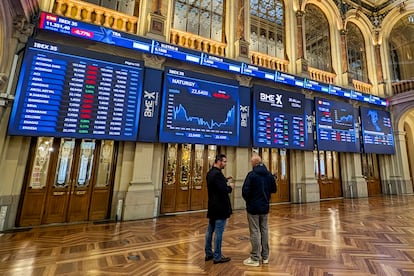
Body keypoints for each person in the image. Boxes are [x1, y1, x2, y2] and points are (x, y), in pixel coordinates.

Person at [242, 154, 277, 266]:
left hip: (253, 208)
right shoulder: (269, 175)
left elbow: (245, 191)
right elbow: (274, 189)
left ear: (254, 163)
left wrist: (249, 201)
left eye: (251, 162)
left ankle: (255, 258)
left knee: (255, 231)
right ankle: (265, 257)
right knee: (264, 230)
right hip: (265, 207)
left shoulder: (251, 175)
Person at [205, 154, 234, 264]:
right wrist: (230, 187)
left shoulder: (210, 173)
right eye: (224, 162)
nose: (225, 164)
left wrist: (224, 180)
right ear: (218, 161)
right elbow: (223, 190)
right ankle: (217, 256)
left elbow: (215, 186)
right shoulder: (217, 174)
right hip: (220, 207)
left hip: (212, 206)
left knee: (209, 231)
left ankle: (208, 253)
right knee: (218, 233)